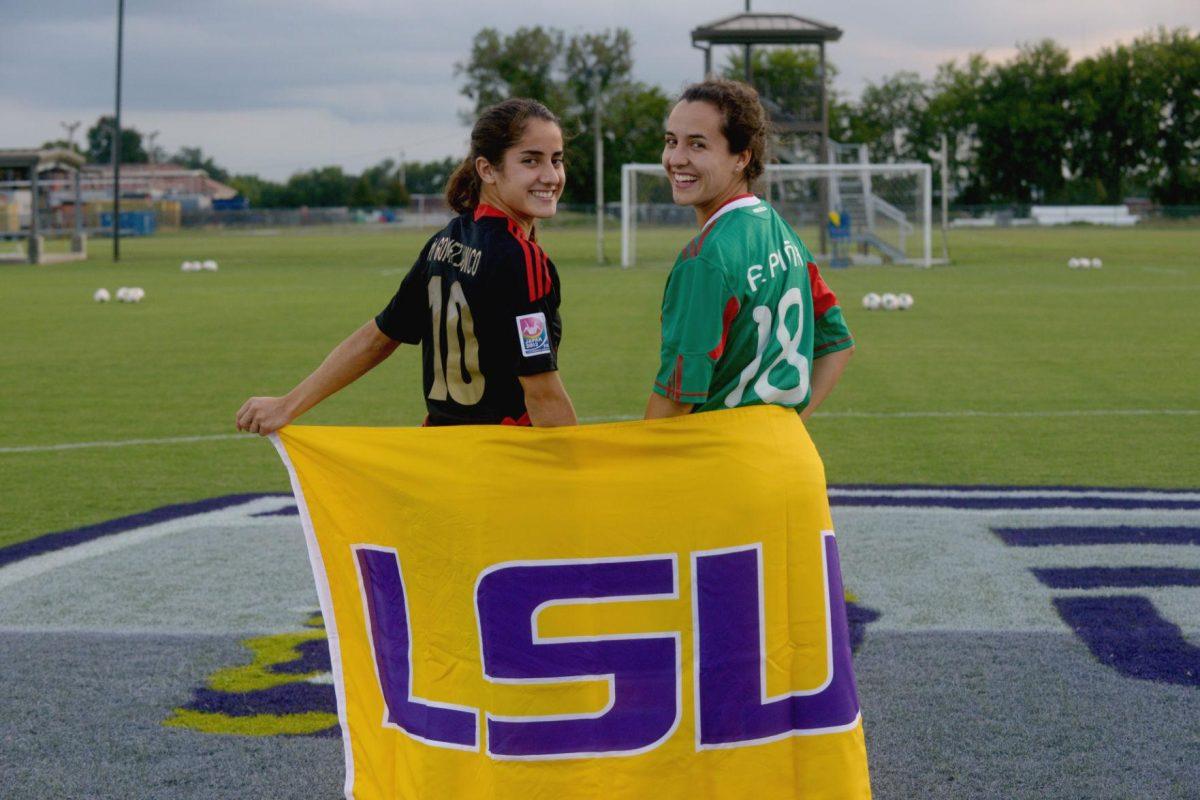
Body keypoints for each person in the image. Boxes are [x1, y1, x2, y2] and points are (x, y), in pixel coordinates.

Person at [237, 98, 577, 435]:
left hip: (439, 450)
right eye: (531, 160)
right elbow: (542, 392)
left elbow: (377, 338)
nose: (550, 176)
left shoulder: (444, 242)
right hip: (500, 460)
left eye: (556, 160)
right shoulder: (519, 258)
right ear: (487, 169)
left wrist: (288, 403)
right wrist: (581, 477)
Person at [645, 79, 854, 421]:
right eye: (671, 141)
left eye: (697, 145)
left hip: (726, 464)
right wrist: (786, 426)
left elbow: (676, 400)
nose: (676, 158)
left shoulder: (706, 259)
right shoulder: (778, 228)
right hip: (789, 457)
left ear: (742, 157)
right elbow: (839, 345)